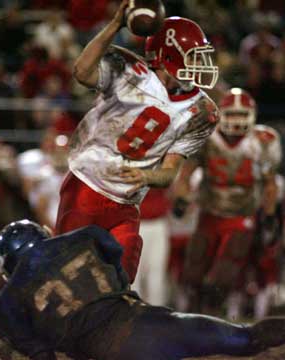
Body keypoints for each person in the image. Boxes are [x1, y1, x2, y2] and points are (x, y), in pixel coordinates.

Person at [0, 219, 285, 360]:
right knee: (244, 340)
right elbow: (114, 256)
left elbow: (44, 357)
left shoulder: (6, 308)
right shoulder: (82, 237)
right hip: (152, 325)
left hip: (106, 352)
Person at [55, 0, 220, 283]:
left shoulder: (201, 112)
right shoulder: (128, 71)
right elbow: (82, 71)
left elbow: (169, 173)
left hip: (126, 202)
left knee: (120, 278)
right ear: (170, 56)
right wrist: (115, 25)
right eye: (193, 56)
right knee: (67, 272)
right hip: (87, 186)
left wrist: (146, 176)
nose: (201, 64)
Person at [174, 88, 282, 318]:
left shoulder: (263, 140)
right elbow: (185, 174)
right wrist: (182, 197)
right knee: (193, 270)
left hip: (243, 214)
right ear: (220, 113)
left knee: (225, 273)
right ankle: (187, 312)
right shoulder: (205, 135)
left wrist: (270, 215)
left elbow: (270, 184)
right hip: (210, 211)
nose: (236, 120)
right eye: (231, 114)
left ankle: (210, 314)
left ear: (252, 115)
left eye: (242, 115)